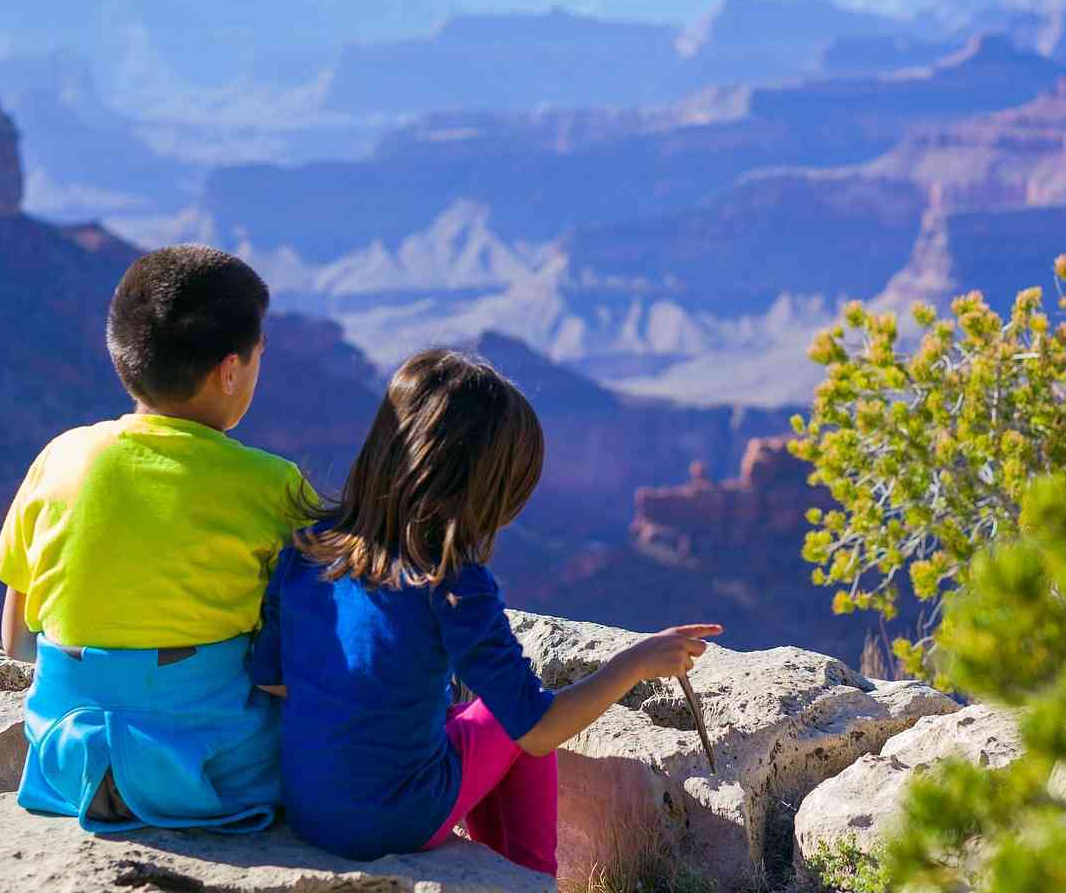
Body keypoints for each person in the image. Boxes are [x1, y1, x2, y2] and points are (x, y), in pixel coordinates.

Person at [252, 347, 719, 876]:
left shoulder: (309, 548)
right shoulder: (451, 581)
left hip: (308, 808)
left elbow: (275, 683)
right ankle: (531, 878)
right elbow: (537, 728)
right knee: (511, 713)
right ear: (483, 486)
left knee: (465, 716)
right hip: (395, 820)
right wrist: (635, 662)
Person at [0, 244, 314, 833]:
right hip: (218, 775)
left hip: (70, 765)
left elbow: (15, 637)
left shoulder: (61, 457)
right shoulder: (274, 485)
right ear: (231, 370)